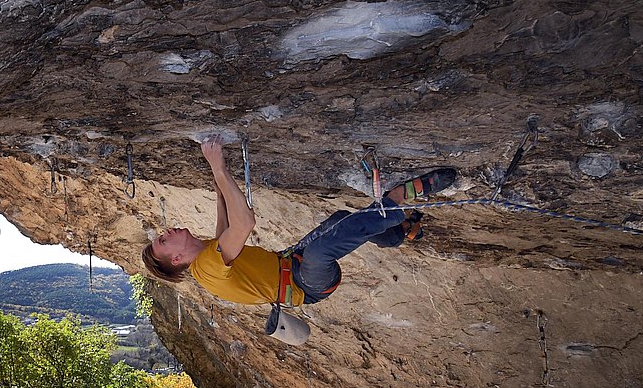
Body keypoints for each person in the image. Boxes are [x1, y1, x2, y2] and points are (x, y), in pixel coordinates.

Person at [142, 137, 455, 343]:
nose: (165, 233)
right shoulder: (206, 267)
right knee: (322, 250)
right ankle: (397, 199)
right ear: (178, 260)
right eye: (163, 242)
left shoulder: (209, 253)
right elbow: (245, 221)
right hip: (306, 284)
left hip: (292, 262)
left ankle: (399, 232)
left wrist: (216, 174)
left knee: (338, 221)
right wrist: (218, 167)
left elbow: (224, 214)